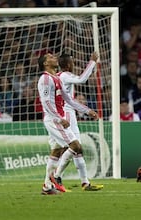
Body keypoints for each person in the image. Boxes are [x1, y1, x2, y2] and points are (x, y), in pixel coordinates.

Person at [36, 53, 101, 195]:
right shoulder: (45, 79)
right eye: (50, 57)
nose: (54, 58)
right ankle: (56, 175)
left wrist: (87, 110)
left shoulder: (57, 79)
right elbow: (46, 102)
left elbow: (69, 100)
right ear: (46, 64)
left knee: (56, 151)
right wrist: (59, 118)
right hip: (55, 120)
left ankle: (47, 187)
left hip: (58, 118)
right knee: (76, 146)